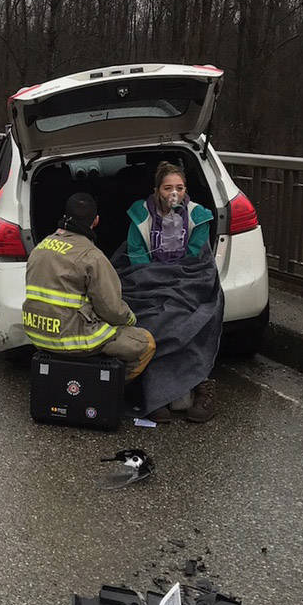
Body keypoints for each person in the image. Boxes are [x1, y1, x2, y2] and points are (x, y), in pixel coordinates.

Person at [23, 191, 155, 380]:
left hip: (38, 336)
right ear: (96, 221)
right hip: (73, 342)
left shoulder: (40, 247)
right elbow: (112, 310)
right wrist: (130, 320)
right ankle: (104, 391)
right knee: (145, 342)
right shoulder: (92, 256)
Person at [124, 161, 218, 422]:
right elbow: (136, 255)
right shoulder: (140, 216)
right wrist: (158, 282)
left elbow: (196, 259)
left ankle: (201, 385)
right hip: (148, 282)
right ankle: (156, 393)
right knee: (150, 318)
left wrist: (174, 284)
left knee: (191, 316)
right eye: (167, 188)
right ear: (157, 190)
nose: (173, 194)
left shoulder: (198, 216)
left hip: (188, 281)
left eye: (179, 187)